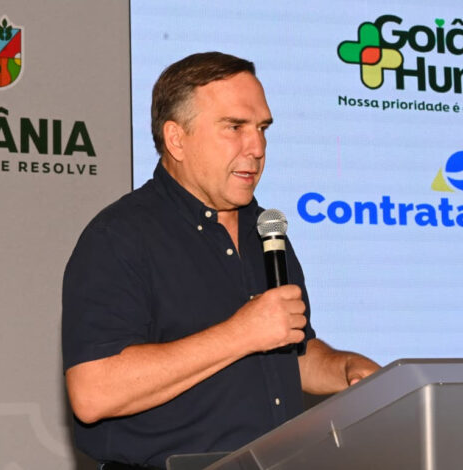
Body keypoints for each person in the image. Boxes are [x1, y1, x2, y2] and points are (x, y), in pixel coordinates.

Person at [62, 51, 380, 469]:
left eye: (262, 128)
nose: (257, 147)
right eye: (235, 127)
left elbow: (290, 352)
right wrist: (240, 333)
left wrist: (343, 368)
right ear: (176, 139)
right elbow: (93, 392)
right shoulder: (120, 236)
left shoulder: (266, 231)